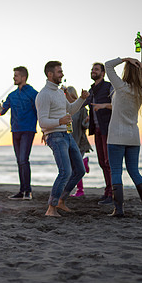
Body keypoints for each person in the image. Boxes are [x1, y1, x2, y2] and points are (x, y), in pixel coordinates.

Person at [98, 35, 142, 217]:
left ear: (126, 71)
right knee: (134, 171)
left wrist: (124, 58)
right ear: (138, 73)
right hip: (133, 137)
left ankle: (119, 209)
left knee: (116, 171)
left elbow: (107, 65)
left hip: (116, 136)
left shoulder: (120, 87)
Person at [36, 61, 89, 217]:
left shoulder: (59, 93)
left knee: (79, 170)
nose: (62, 74)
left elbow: (71, 109)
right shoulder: (44, 95)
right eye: (59, 72)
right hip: (55, 136)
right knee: (65, 171)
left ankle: (61, 201)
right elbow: (42, 122)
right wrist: (59, 121)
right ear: (50, 74)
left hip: (67, 134)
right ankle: (51, 208)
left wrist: (81, 99)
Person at [0, 66, 38, 200]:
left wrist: (45, 131)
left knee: (23, 160)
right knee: (20, 161)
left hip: (28, 130)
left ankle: (28, 192)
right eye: (14, 75)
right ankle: (22, 191)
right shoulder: (12, 95)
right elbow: (1, 112)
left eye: (16, 76)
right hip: (15, 131)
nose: (14, 78)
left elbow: (39, 112)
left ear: (23, 77)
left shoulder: (33, 93)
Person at [82, 62, 114, 205]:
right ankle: (107, 191)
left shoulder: (108, 87)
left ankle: (112, 194)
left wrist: (103, 107)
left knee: (109, 162)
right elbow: (80, 104)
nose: (93, 71)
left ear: (103, 73)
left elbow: (117, 105)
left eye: (96, 69)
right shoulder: (92, 89)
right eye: (92, 69)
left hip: (108, 129)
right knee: (102, 162)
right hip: (97, 130)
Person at [63, 86, 92, 197]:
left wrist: (86, 121)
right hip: (68, 141)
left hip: (79, 142)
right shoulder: (65, 108)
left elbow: (85, 126)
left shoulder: (81, 108)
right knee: (71, 168)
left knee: (75, 168)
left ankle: (80, 190)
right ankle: (84, 162)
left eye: (68, 95)